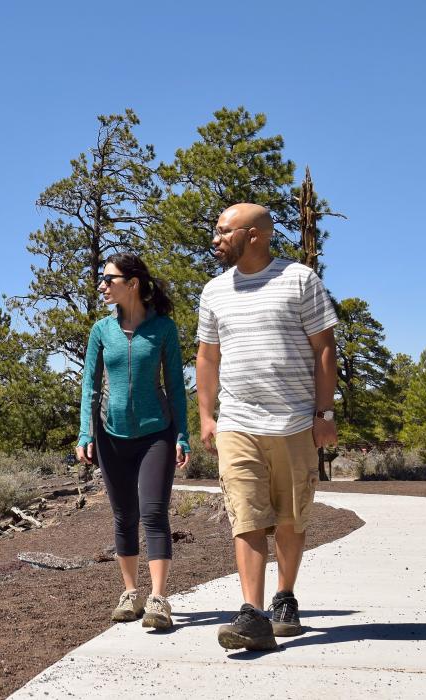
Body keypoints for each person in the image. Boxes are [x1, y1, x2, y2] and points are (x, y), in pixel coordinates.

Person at [195, 203, 338, 651]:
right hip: (238, 421)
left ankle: (284, 597)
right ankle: (252, 614)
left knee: (291, 518)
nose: (216, 239)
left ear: (254, 235)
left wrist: (324, 414)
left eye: (224, 231)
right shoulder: (214, 291)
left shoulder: (300, 280)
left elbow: (324, 348)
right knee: (246, 517)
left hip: (294, 421)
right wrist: (206, 415)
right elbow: (207, 356)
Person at [77, 252, 189, 630]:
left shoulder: (163, 329)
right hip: (110, 435)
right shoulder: (101, 331)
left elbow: (176, 387)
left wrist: (183, 435)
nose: (102, 286)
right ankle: (130, 593)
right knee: (125, 515)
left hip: (157, 433)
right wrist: (85, 432)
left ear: (133, 283)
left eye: (109, 279)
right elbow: (90, 386)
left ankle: (158, 598)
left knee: (153, 512)